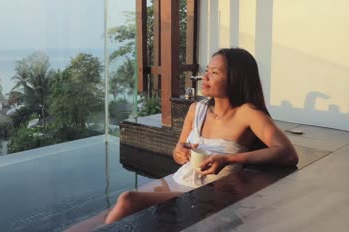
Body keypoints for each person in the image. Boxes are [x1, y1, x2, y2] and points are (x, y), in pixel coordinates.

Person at [65, 48, 298, 231]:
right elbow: (179, 149)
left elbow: (287, 153)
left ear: (235, 79)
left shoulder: (247, 113)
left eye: (214, 73)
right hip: (179, 179)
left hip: (205, 191)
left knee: (128, 200)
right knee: (104, 214)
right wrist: (181, 152)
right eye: (207, 70)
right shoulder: (197, 109)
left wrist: (230, 158)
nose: (204, 77)